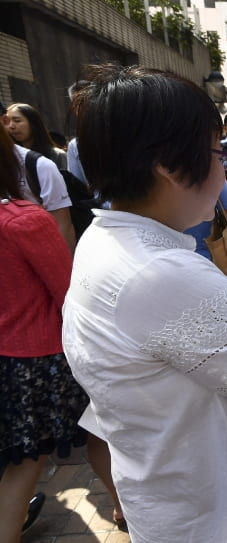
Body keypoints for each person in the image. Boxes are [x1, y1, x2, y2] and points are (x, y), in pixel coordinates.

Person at [62, 63, 227, 543]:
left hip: (168, 490)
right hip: (205, 509)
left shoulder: (106, 242)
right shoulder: (163, 273)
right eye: (214, 152)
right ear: (167, 164)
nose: (223, 166)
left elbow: (199, 339)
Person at [0, 127, 89, 542]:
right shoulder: (23, 221)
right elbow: (67, 291)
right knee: (28, 463)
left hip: (11, 359)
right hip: (38, 359)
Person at [1, 101, 75, 252]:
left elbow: (63, 225)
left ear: (4, 121)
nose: (14, 126)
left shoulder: (42, 165)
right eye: (13, 121)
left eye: (18, 120)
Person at [3, 103, 68, 169]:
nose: (11, 126)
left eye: (17, 121)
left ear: (33, 123)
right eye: (7, 122)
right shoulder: (11, 158)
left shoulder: (58, 156)